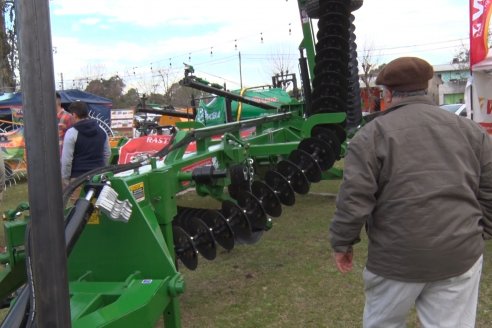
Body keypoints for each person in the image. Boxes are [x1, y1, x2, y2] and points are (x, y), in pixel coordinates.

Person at [329, 56, 492, 327]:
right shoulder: (471, 131)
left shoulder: (370, 137)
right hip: (459, 252)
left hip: (395, 259)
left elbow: (354, 198)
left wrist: (342, 243)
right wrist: (482, 230)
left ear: (388, 93)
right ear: (426, 87)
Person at [61, 101, 110, 189]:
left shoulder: (71, 133)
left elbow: (67, 160)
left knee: (78, 202)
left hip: (78, 179)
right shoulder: (102, 130)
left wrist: (65, 180)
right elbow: (107, 153)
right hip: (98, 178)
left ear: (74, 115)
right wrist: (101, 169)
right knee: (98, 202)